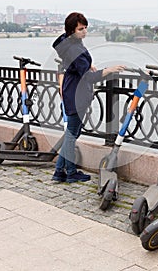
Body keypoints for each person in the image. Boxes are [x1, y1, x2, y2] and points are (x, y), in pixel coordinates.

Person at [52, 12, 125, 183]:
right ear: (71, 31)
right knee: (72, 134)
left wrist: (87, 64)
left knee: (71, 132)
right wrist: (109, 70)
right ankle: (70, 172)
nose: (84, 32)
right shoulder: (75, 48)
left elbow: (77, 66)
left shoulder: (69, 44)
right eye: (80, 29)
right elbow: (89, 77)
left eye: (85, 28)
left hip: (72, 92)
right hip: (77, 95)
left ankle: (58, 172)